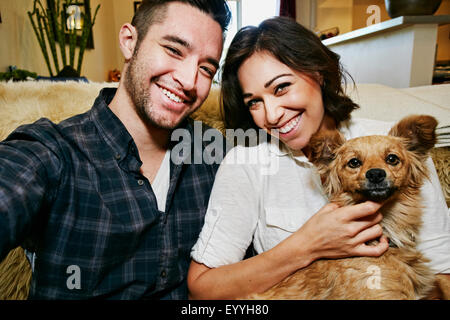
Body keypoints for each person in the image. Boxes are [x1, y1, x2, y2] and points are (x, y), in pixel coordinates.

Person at [187, 16, 450, 299]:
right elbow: (203, 288)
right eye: (255, 102)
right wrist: (307, 245)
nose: (273, 115)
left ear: (318, 73)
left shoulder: (393, 149)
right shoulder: (247, 162)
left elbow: (442, 268)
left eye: (281, 87)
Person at [0, 0, 231, 299]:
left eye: (205, 68)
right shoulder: (54, 152)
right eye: (174, 50)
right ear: (129, 41)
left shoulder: (212, 152)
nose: (189, 81)